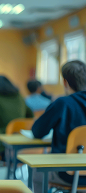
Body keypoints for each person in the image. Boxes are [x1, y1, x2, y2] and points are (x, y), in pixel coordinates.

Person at [32, 60, 86, 192]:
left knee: (37, 171)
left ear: (65, 82)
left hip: (68, 174)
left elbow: (37, 132)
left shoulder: (63, 103)